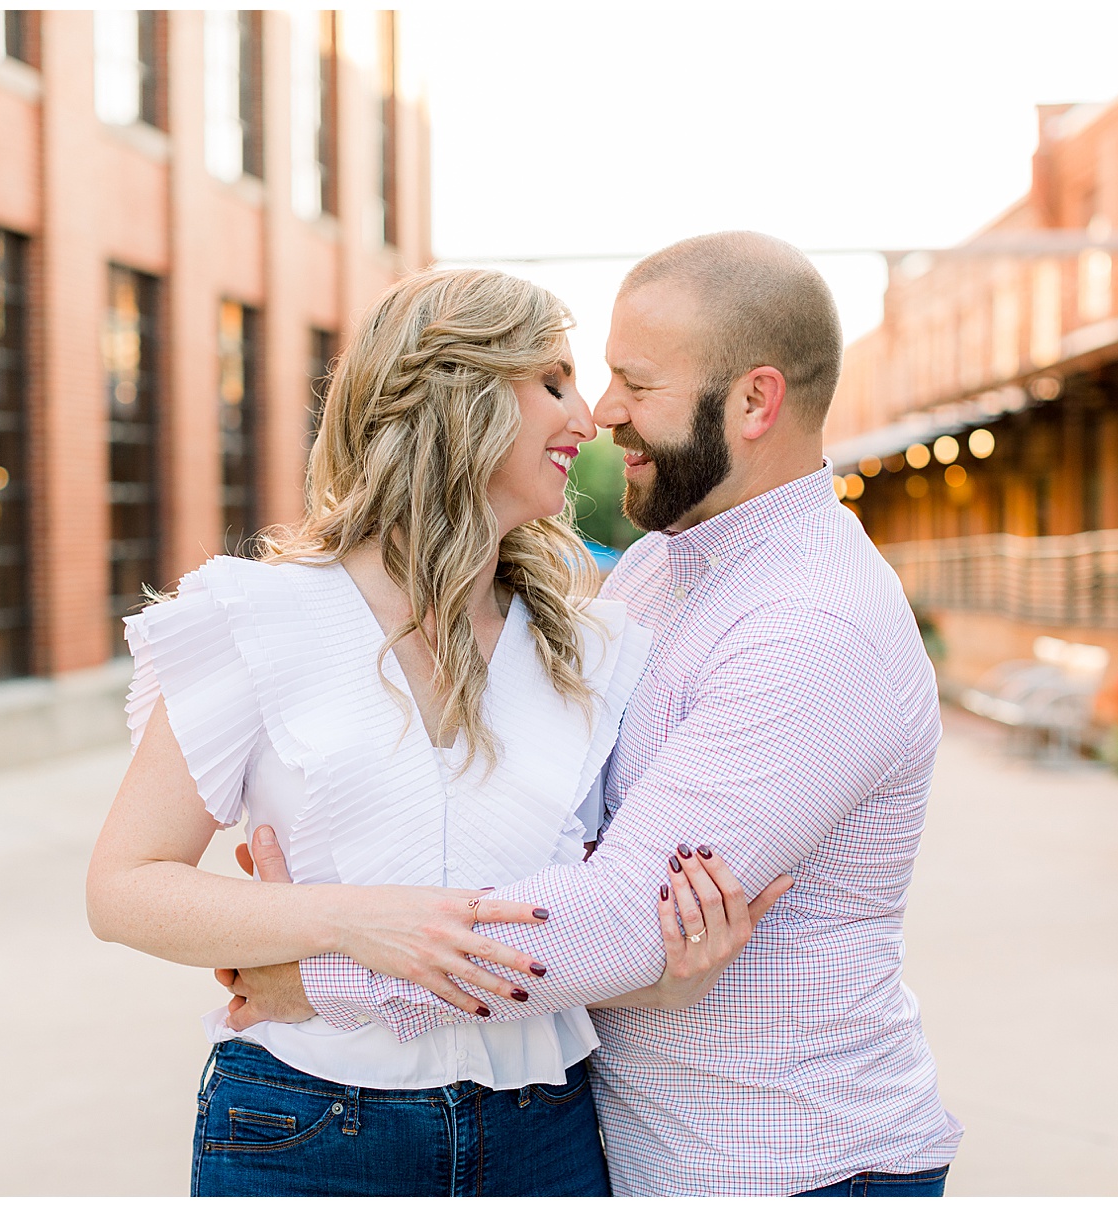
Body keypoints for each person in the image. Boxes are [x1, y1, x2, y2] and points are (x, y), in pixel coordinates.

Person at [219, 232, 964, 1196]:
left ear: (754, 400)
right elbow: (555, 823)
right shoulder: (661, 568)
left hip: (788, 1160)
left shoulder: (818, 628)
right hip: (636, 1147)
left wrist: (322, 972)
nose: (603, 413)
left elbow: (614, 920)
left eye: (634, 383)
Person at [85, 267, 789, 1197]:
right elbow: (123, 888)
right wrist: (349, 920)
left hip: (543, 1133)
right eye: (550, 382)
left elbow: (573, 922)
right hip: (307, 1124)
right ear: (454, 395)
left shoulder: (592, 648)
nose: (588, 419)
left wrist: (665, 976)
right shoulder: (255, 617)